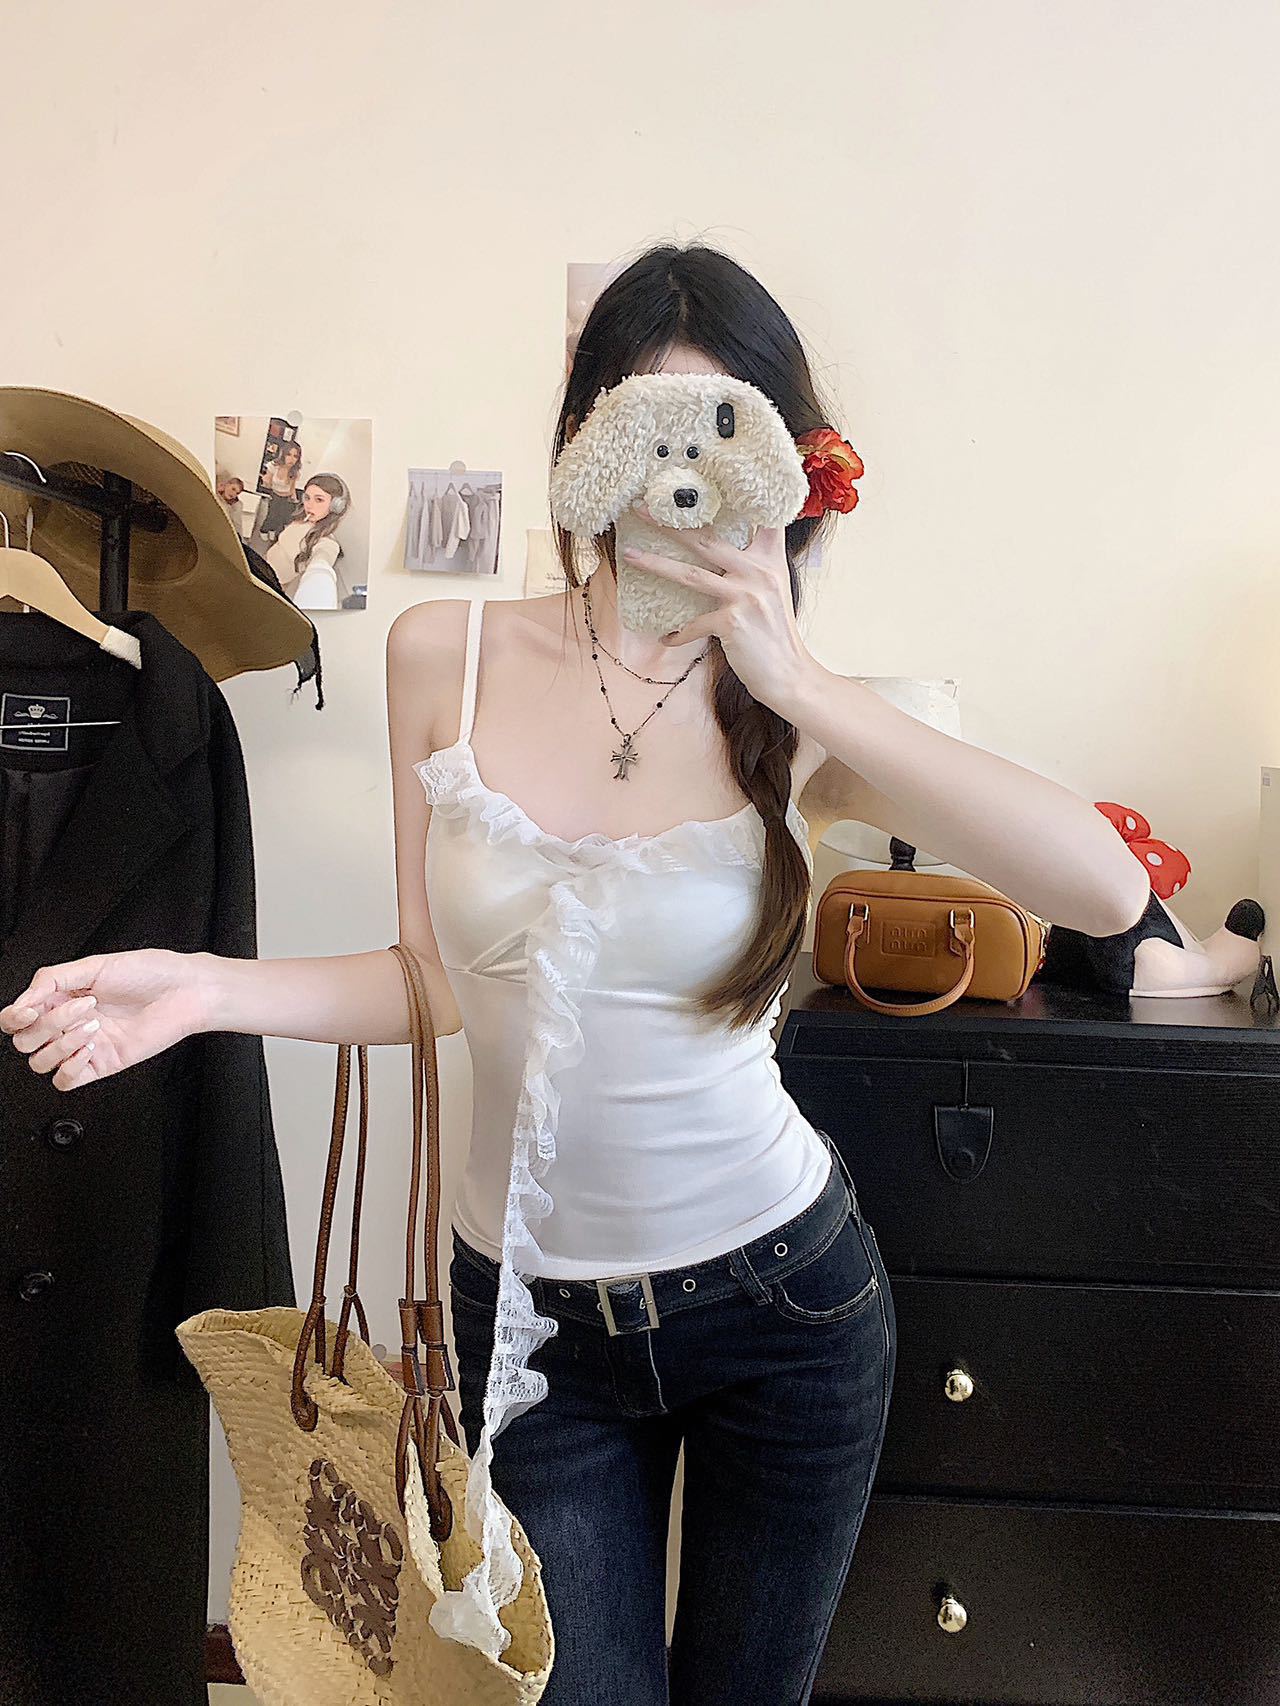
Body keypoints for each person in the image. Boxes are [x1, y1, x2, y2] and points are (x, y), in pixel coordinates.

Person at [0, 240, 1149, 1705]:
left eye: (722, 437)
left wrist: (797, 680)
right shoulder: (445, 655)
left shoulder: (801, 713)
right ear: (582, 446)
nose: (680, 482)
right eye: (645, 431)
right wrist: (207, 987)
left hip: (784, 1304)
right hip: (530, 1329)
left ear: (787, 473)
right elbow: (433, 982)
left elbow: (1104, 890)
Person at [264, 472, 349, 610]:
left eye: (319, 500)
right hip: (263, 563)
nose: (309, 505)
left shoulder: (327, 543)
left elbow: (321, 562)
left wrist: (320, 572)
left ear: (335, 506)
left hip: (271, 583)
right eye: (307, 498)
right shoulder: (301, 519)